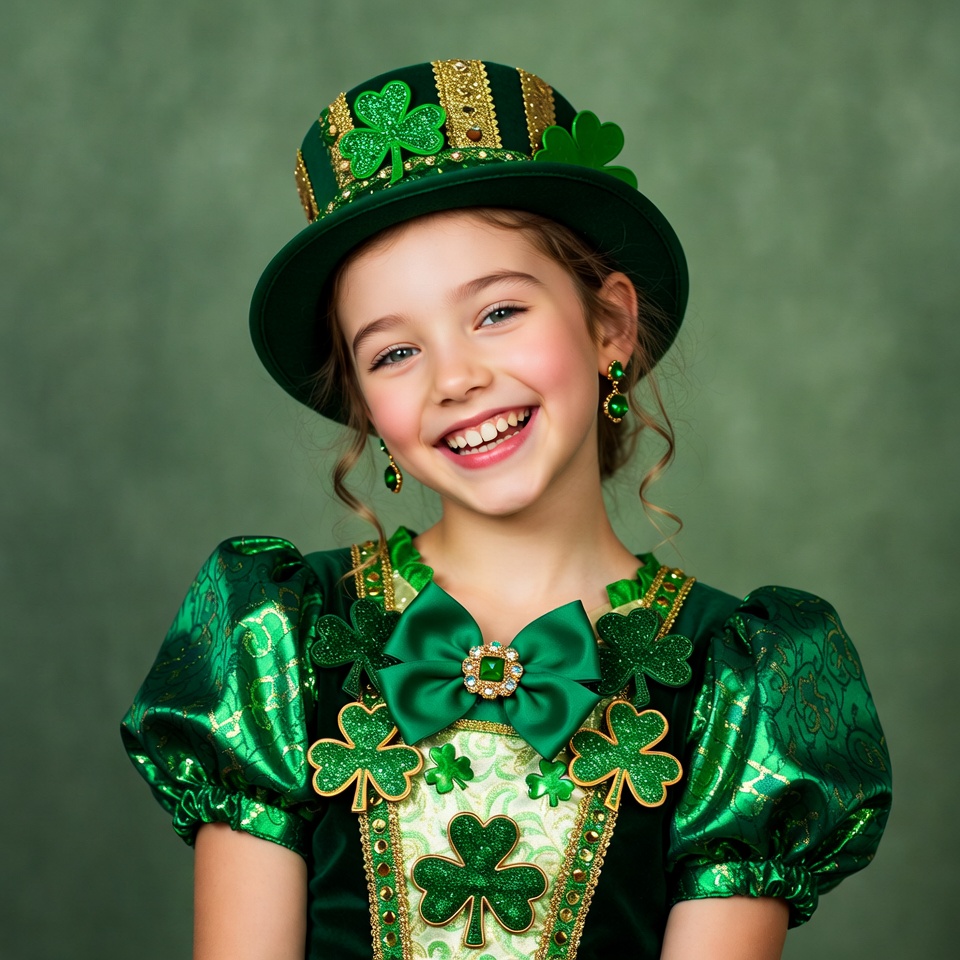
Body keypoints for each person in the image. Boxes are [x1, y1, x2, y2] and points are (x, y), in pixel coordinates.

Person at [121, 60, 891, 960]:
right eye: (395, 352)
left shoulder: (741, 680)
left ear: (609, 325)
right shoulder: (277, 638)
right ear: (366, 408)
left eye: (496, 313)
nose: (456, 378)